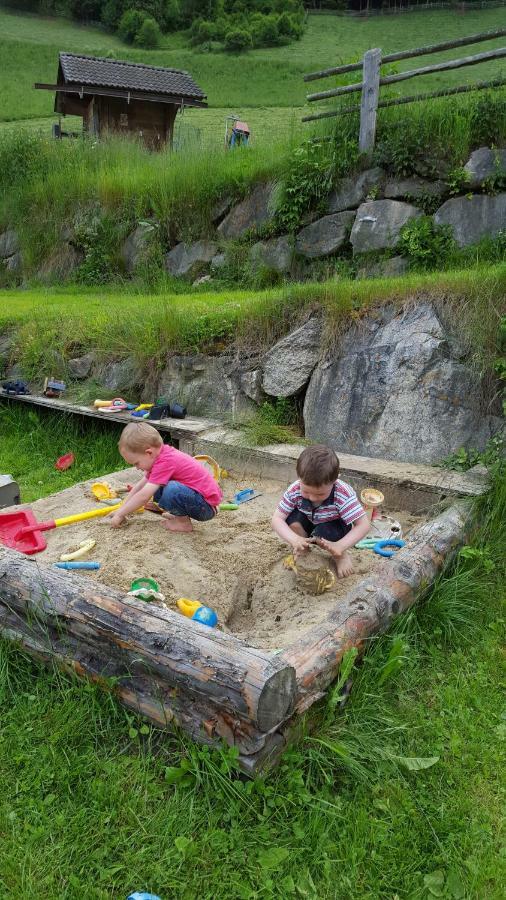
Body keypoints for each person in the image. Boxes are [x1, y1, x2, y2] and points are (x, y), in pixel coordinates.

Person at [271, 444, 370, 578]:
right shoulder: (294, 490)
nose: (312, 497)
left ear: (334, 481)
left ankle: (340, 556)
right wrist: (294, 539)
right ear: (299, 477)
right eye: (306, 491)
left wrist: (340, 546)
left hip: (333, 525)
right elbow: (277, 519)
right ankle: (302, 548)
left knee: (322, 537)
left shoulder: (343, 494)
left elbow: (363, 525)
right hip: (309, 518)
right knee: (293, 523)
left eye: (320, 494)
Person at [109, 422, 223, 534]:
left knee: (170, 489)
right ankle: (178, 514)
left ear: (149, 453)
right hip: (200, 501)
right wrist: (121, 509)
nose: (137, 468)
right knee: (156, 487)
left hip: (206, 507)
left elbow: (143, 496)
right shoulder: (159, 457)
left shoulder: (166, 461)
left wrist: (120, 514)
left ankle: (182, 523)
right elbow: (139, 487)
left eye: (136, 463)